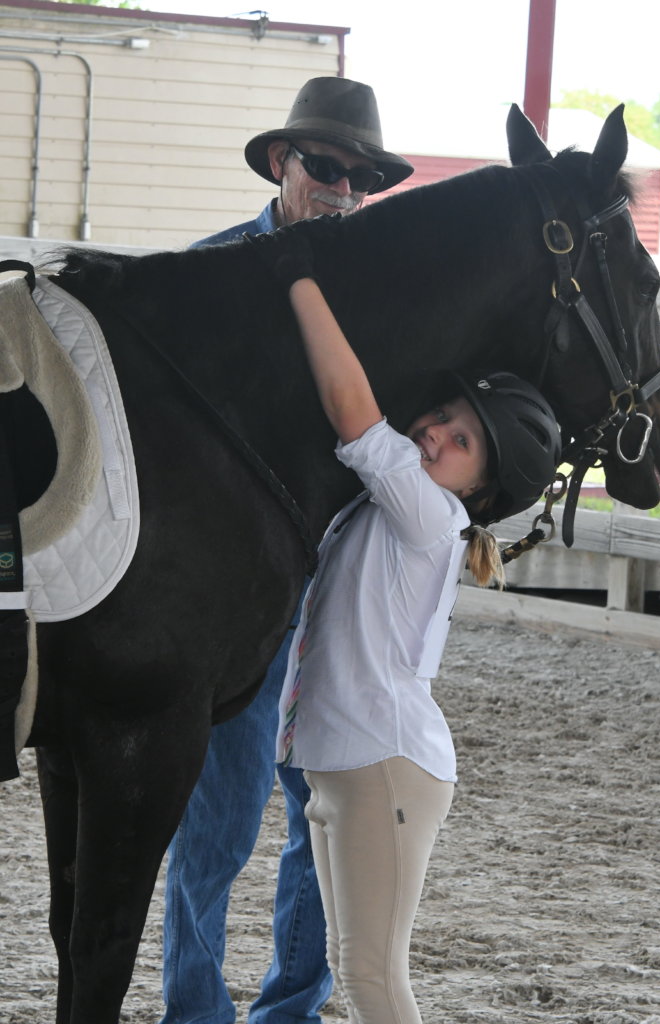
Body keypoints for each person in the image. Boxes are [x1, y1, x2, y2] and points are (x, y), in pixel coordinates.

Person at [246, 224, 562, 1023]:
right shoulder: (392, 511)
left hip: (380, 766)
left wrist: (297, 277)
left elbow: (351, 406)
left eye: (459, 444)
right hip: (340, 766)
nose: (435, 436)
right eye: (444, 419)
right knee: (362, 977)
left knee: (376, 981)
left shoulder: (430, 516)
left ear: (477, 491)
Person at [161, 78, 414, 1024]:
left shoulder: (387, 306)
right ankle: (192, 1011)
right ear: (282, 164)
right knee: (214, 828)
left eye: (360, 178)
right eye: (327, 169)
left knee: (326, 828)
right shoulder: (200, 278)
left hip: (341, 600)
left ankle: (289, 1011)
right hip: (231, 603)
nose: (344, 192)